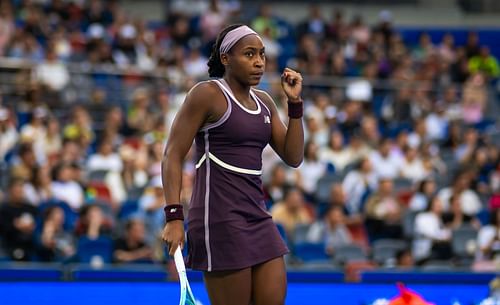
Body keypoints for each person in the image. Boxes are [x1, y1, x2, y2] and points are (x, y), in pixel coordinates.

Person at [161, 24, 304, 305]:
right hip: (219, 219)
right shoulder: (207, 94)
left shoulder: (264, 102)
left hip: (257, 216)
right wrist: (174, 217)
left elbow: (294, 157)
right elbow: (172, 155)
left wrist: (295, 104)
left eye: (262, 54)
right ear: (226, 58)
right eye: (249, 54)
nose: (259, 62)